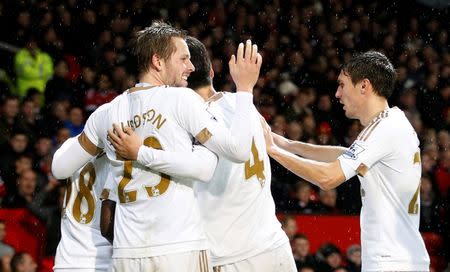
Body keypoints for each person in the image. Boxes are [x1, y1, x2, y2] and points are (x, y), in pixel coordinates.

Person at [52, 21, 261, 271]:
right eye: (183, 59)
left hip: (126, 251)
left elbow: (60, 168)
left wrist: (103, 144)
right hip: (178, 246)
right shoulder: (183, 100)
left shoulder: (107, 113)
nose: (191, 66)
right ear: (158, 62)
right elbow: (237, 151)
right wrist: (245, 90)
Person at [262, 51, 430, 271]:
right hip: (402, 260)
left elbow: (328, 178)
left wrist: (272, 151)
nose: (337, 94)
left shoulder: (383, 130)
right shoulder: (393, 122)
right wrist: (287, 145)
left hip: (391, 263)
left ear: (364, 86)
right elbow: (345, 154)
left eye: (342, 85)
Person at [53, 153, 113, 271]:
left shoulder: (72, 147)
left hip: (65, 260)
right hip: (99, 261)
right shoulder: (117, 156)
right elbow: (108, 228)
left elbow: (57, 170)